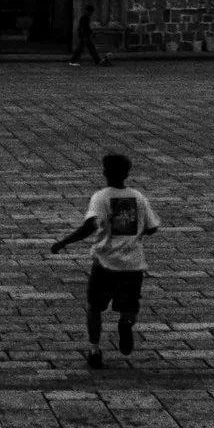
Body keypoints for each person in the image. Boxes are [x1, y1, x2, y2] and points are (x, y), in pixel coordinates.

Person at [49, 152, 162, 368]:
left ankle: (94, 350)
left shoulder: (101, 197)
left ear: (104, 173)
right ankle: (125, 323)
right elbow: (153, 227)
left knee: (94, 306)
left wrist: (63, 242)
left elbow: (90, 226)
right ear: (127, 173)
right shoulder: (138, 197)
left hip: (106, 263)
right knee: (129, 305)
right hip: (133, 264)